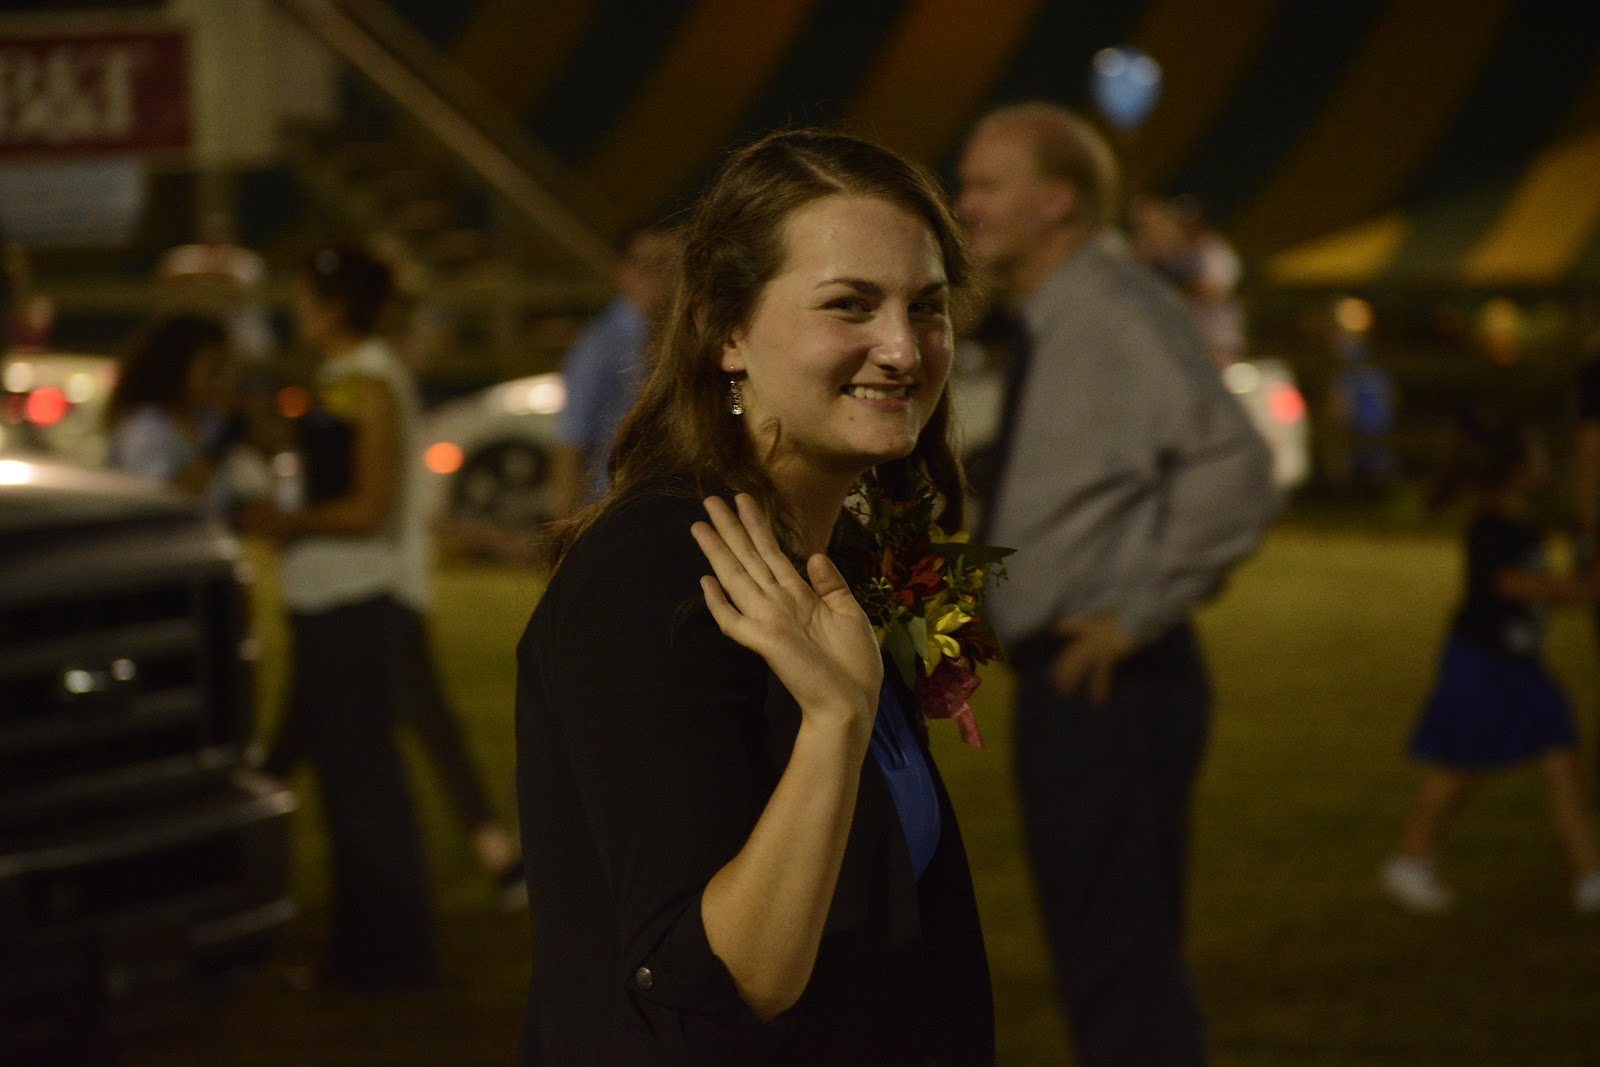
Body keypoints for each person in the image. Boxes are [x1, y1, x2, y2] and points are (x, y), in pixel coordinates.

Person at [515, 129, 995, 1065]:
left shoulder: (833, 557)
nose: (902, 348)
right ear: (725, 330)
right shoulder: (654, 574)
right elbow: (721, 979)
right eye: (850, 305)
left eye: (926, 307)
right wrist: (833, 720)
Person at [955, 102, 1279, 1065]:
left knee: (1123, 983)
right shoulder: (1062, 315)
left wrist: (1132, 616)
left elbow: (1235, 469)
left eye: (984, 184)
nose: (963, 203)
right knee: (1103, 968)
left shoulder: (1112, 309)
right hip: (1079, 689)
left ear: (1056, 201)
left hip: (1112, 686)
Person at [236, 245, 514, 983]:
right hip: (330, 605)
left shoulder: (371, 383)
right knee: (344, 789)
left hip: (357, 608)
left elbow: (366, 508)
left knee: (365, 794)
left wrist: (282, 523)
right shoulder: (341, 381)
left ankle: (393, 958)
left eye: (302, 298)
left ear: (332, 306)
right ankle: (362, 955)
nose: (295, 311)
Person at [1382, 422, 1600, 913]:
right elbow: (1508, 584)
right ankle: (1409, 863)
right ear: (1518, 473)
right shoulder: (1491, 527)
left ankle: (1590, 877)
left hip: (1522, 665)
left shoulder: (1522, 525)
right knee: (1459, 769)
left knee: (1562, 758)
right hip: (1483, 664)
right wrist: (1574, 591)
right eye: (1540, 457)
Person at [549, 225, 682, 519]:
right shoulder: (602, 345)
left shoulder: (674, 338)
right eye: (649, 265)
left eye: (670, 264)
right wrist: (567, 525)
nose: (661, 276)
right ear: (621, 270)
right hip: (611, 507)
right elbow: (570, 440)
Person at [103, 314, 237, 511]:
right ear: (177, 368)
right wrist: (220, 447)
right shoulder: (145, 428)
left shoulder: (206, 420)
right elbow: (161, 499)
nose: (224, 381)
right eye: (213, 369)